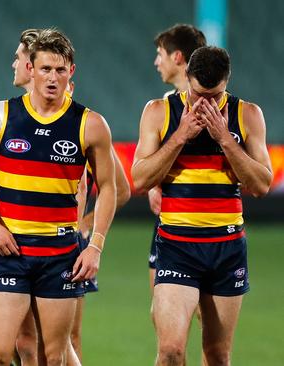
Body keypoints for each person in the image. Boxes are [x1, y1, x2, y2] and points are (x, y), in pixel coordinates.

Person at [0, 29, 117, 366]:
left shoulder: (90, 124)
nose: (52, 77)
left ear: (71, 72)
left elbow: (108, 187)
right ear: (30, 69)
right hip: (10, 251)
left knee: (54, 357)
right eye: (45, 69)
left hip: (60, 255)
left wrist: (95, 247)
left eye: (60, 70)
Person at [132, 46, 272, 366]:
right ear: (187, 78)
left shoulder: (247, 114)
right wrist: (180, 136)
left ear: (227, 82)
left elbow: (261, 184)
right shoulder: (160, 111)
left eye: (215, 95)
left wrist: (225, 139)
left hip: (227, 247)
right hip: (177, 245)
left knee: (218, 355)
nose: (206, 104)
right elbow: (140, 178)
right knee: (170, 351)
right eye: (198, 95)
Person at [148, 23, 207, 289]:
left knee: (205, 317)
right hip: (169, 221)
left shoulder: (216, 106)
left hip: (206, 224)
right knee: (160, 312)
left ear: (178, 57)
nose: (156, 62)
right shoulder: (164, 104)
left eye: (160, 54)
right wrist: (154, 186)